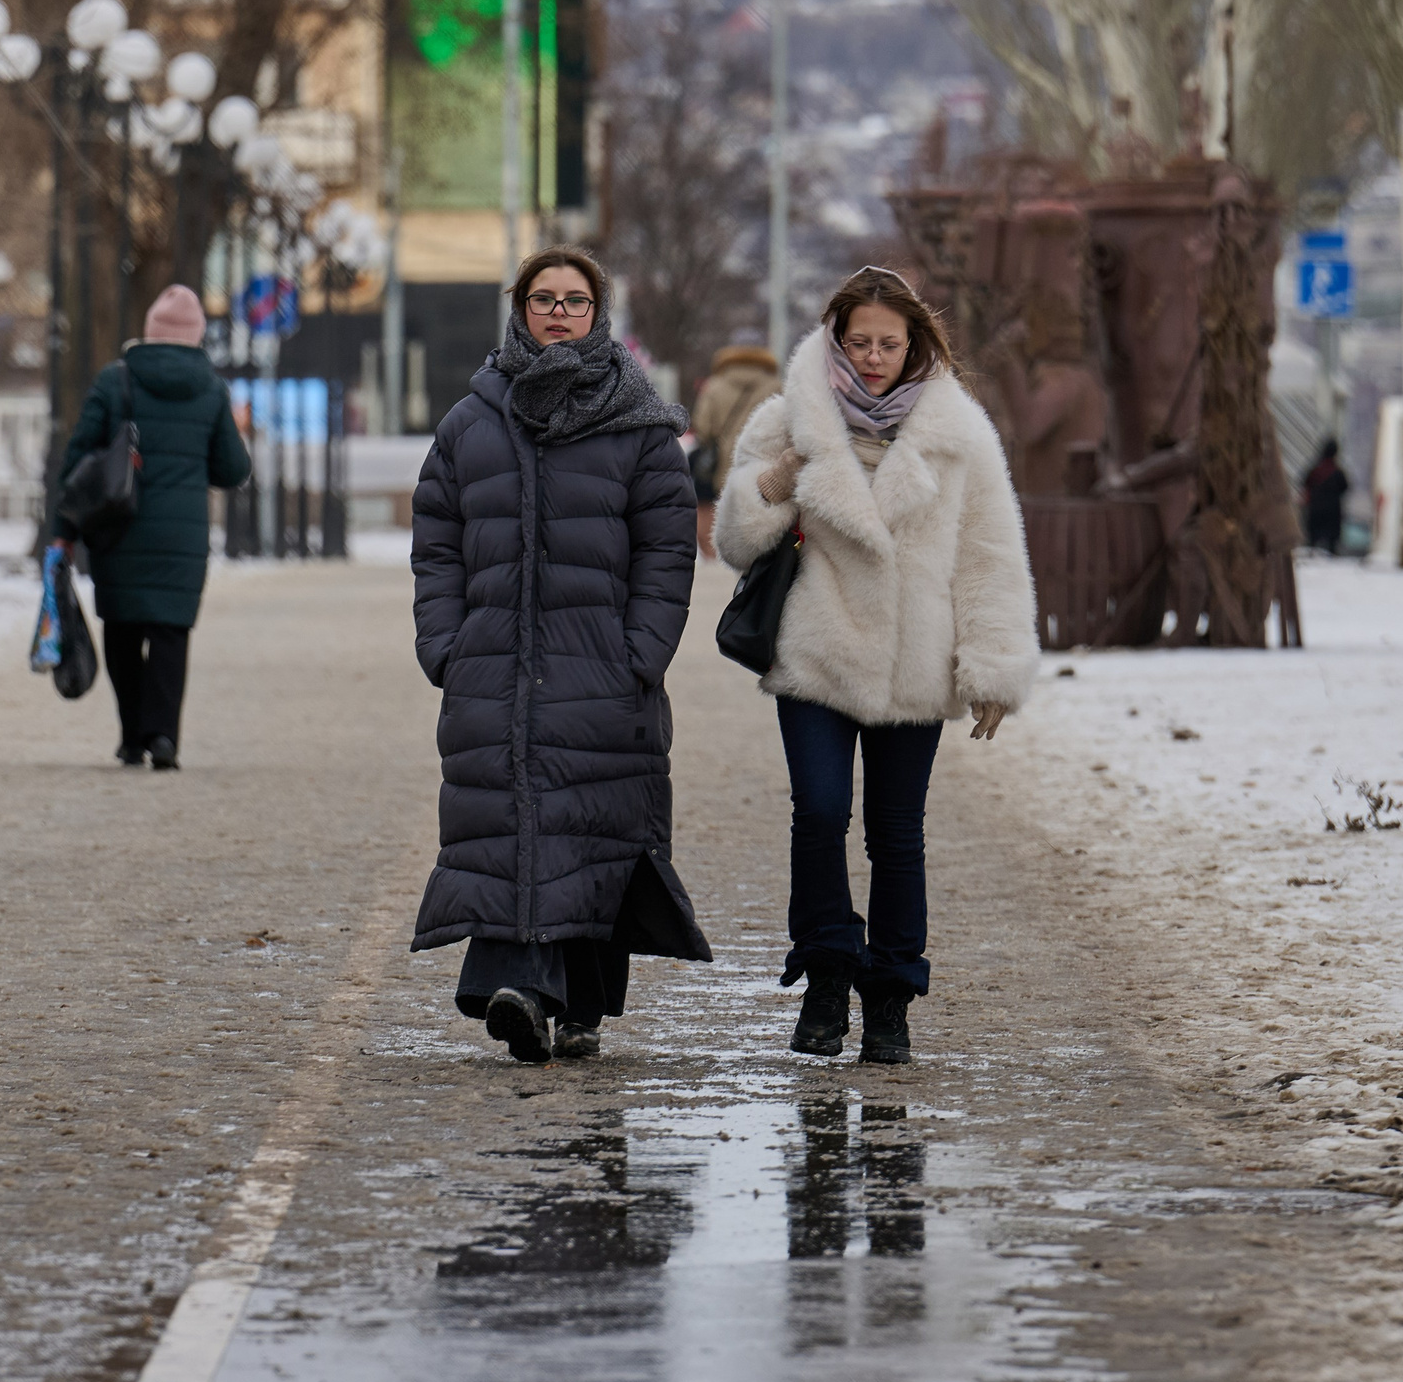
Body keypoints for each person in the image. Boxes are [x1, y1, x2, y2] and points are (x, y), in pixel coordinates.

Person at [715, 267, 1036, 1065]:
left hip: (912, 663)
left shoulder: (959, 432)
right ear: (834, 338)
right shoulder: (791, 418)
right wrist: (772, 481)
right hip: (818, 652)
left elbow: (990, 554)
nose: (871, 356)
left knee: (898, 835)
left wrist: (992, 664)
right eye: (857, 341)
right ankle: (827, 973)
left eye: (887, 343)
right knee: (819, 813)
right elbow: (734, 542)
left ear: (915, 343)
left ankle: (890, 995)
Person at [410, 247, 713, 1064]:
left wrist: (640, 652)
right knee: (517, 823)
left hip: (603, 673)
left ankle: (576, 998)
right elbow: (437, 540)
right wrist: (445, 642)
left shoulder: (641, 422)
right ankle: (523, 989)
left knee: (592, 830)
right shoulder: (471, 422)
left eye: (573, 301)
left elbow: (666, 550)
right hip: (494, 669)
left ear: (597, 314)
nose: (556, 313)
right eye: (542, 299)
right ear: (519, 310)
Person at [56, 284, 251, 770]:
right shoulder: (211, 389)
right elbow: (232, 470)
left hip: (117, 528)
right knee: (170, 633)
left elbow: (78, 458)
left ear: (149, 332)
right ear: (195, 336)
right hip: (181, 537)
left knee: (121, 628)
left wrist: (64, 528)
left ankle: (130, 736)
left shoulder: (114, 381)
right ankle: (164, 735)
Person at [687, 338, 784, 558]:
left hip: (716, 465)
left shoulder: (715, 385)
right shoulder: (774, 385)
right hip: (761, 464)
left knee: (709, 512)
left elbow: (703, 427)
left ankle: (714, 558)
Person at [1300, 437, 1349, 554]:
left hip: (1315, 511)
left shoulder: (1315, 471)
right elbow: (1345, 488)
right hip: (1332, 513)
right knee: (1331, 546)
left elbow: (1305, 483)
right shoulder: (1338, 473)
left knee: (1311, 544)